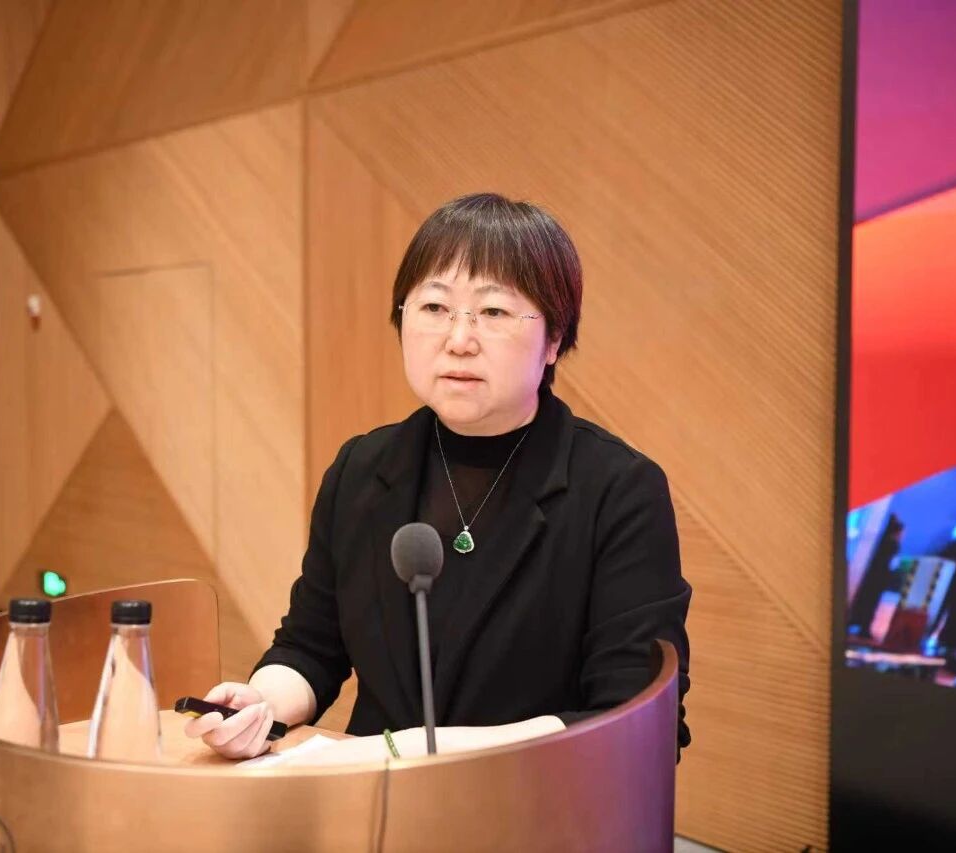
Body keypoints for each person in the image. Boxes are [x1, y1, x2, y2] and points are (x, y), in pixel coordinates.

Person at [185, 192, 692, 761]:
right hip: (375, 800)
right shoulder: (361, 469)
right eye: (433, 307)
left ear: (553, 339)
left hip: (536, 802)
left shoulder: (618, 490)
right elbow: (311, 646)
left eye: (493, 312)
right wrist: (260, 704)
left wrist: (414, 754)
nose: (458, 340)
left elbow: (635, 717)